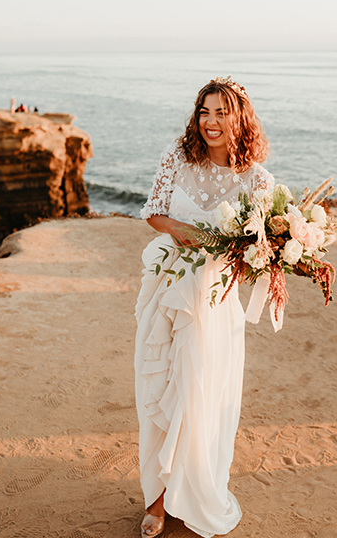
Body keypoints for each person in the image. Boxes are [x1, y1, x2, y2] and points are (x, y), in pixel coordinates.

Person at [135, 77, 274, 538]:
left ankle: (192, 495)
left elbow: (258, 250)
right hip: (167, 290)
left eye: (221, 113)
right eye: (204, 112)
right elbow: (153, 211)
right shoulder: (177, 156)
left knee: (199, 395)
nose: (211, 122)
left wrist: (260, 255)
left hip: (214, 303)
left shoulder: (257, 178)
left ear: (240, 118)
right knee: (160, 391)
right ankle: (156, 501)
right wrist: (187, 232)